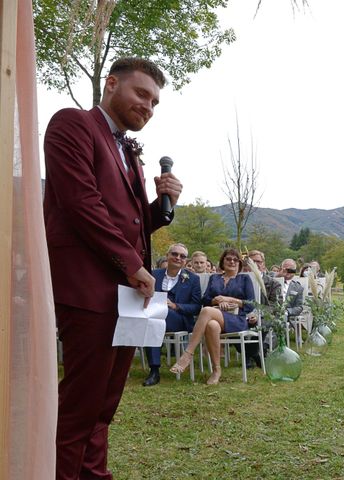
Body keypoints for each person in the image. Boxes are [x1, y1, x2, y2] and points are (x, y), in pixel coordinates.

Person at [43, 57, 183, 479]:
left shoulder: (127, 150)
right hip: (88, 290)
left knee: (103, 407)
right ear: (111, 84)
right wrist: (131, 264)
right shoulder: (73, 124)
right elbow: (81, 204)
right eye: (142, 94)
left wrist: (161, 206)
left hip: (124, 296)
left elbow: (133, 221)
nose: (149, 107)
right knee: (80, 409)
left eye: (155, 102)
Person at [170, 248, 255, 384]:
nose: (232, 262)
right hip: (217, 317)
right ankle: (216, 370)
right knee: (211, 325)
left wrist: (230, 300)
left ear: (239, 263)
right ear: (222, 261)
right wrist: (215, 300)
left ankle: (188, 353)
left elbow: (251, 303)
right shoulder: (214, 278)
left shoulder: (244, 278)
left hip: (237, 319)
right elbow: (205, 300)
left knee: (207, 311)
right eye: (228, 259)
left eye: (235, 260)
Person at [142, 243, 202, 386]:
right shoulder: (154, 274)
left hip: (180, 319)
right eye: (174, 254)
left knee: (153, 319)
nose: (178, 258)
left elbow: (196, 307)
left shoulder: (193, 279)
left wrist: (176, 306)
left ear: (186, 261)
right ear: (167, 256)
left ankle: (154, 370)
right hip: (153, 316)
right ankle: (154, 370)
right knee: (152, 321)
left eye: (182, 256)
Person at [242, 250, 282, 366]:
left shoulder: (274, 283)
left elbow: (275, 306)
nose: (256, 264)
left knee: (264, 323)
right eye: (252, 261)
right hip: (244, 315)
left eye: (258, 261)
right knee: (231, 323)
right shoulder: (240, 280)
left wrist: (258, 313)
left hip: (265, 316)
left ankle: (249, 354)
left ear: (263, 264)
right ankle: (254, 353)